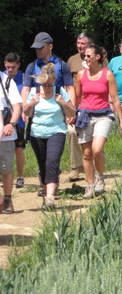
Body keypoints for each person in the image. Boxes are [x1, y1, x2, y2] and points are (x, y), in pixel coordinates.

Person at [74, 45, 122, 199]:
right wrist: (72, 114)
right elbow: (77, 97)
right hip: (85, 115)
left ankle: (100, 177)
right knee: (86, 153)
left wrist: (121, 121)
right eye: (84, 56)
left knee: (97, 149)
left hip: (103, 115)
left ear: (97, 57)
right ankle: (90, 185)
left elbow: (115, 98)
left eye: (89, 56)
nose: (86, 59)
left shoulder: (107, 74)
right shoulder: (80, 75)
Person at [23, 64, 76, 209]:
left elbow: (72, 112)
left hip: (56, 131)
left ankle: (50, 198)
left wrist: (63, 103)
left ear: (54, 82)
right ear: (40, 83)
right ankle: (47, 191)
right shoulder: (34, 93)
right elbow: (26, 113)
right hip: (37, 133)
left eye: (50, 85)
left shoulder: (60, 92)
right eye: (45, 85)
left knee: (52, 162)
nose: (47, 88)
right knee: (43, 164)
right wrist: (31, 103)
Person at [66, 33, 93, 181]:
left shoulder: (99, 57)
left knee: (92, 135)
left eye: (83, 43)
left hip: (94, 103)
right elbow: (68, 84)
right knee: (71, 132)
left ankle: (91, 164)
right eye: (78, 43)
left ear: (89, 45)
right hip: (76, 103)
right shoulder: (72, 60)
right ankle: (76, 167)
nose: (79, 46)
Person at [0, 67, 23, 214]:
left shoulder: (6, 80)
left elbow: (16, 107)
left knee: (6, 168)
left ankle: (7, 199)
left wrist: (12, 124)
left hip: (6, 135)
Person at [3, 53, 26, 188]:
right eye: (8, 67)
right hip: (3, 120)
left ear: (18, 65)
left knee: (18, 149)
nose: (10, 70)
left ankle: (20, 176)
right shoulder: (2, 78)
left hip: (19, 122)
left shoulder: (23, 79)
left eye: (13, 67)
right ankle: (5, 176)